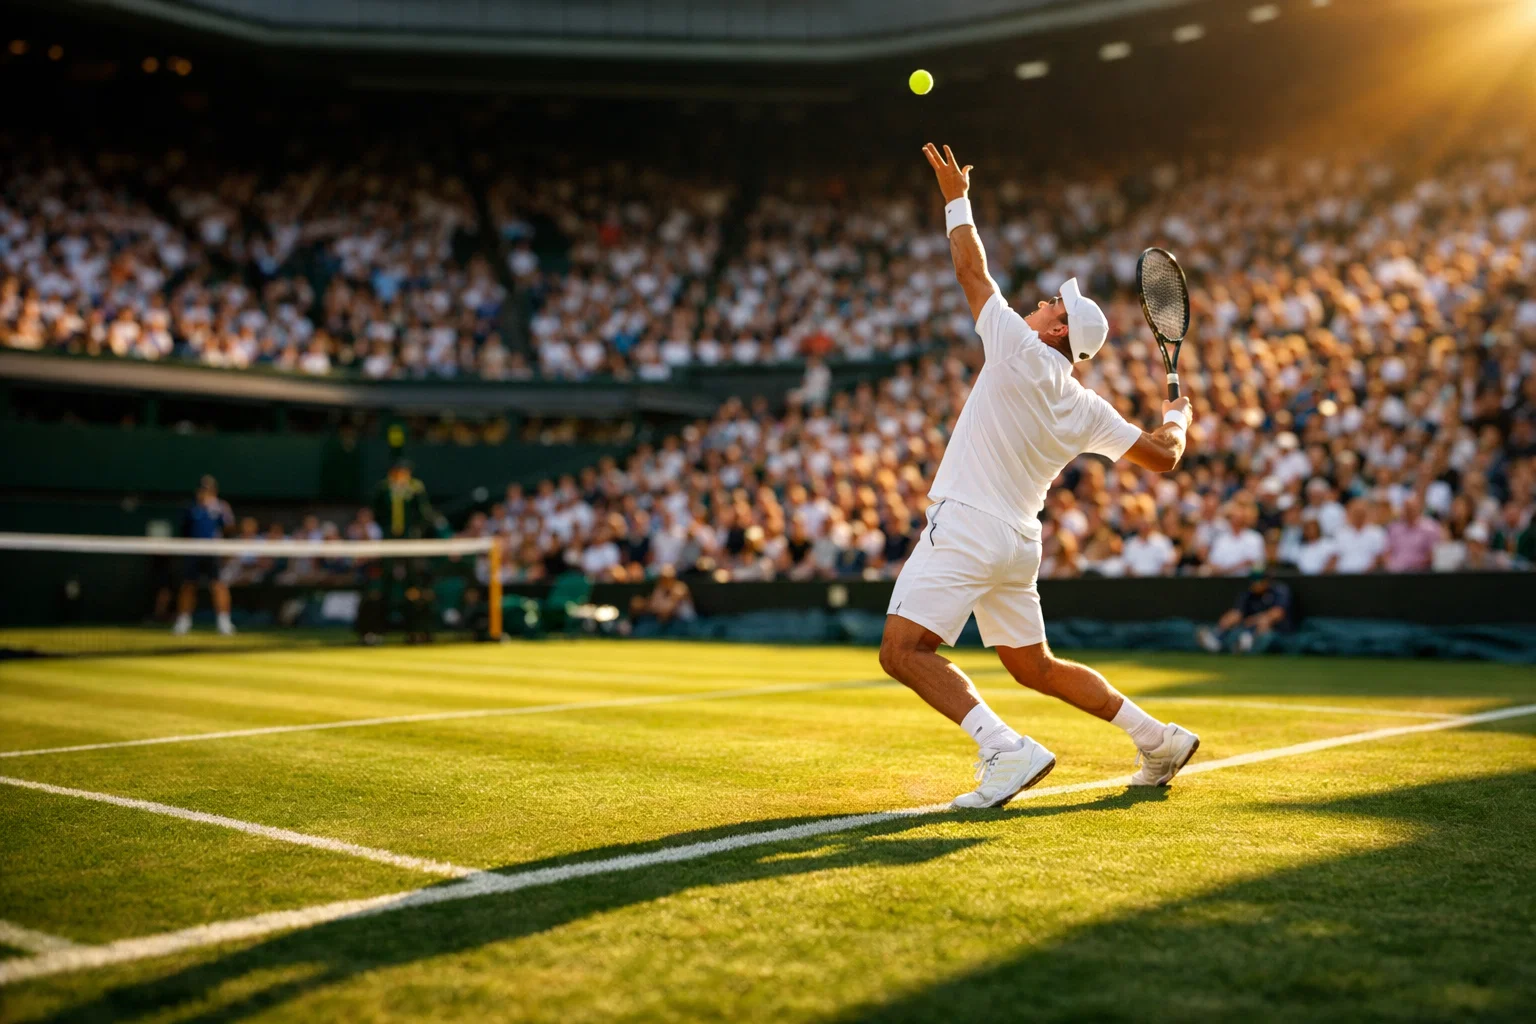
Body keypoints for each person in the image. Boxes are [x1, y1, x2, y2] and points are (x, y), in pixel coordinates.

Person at [877, 144, 1200, 811]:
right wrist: (1178, 419)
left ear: (1055, 332)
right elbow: (1164, 457)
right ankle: (1158, 739)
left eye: (1052, 304)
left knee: (902, 651)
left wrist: (954, 197)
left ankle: (1005, 750)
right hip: (1019, 542)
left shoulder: (1019, 347)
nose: (1042, 303)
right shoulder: (1086, 406)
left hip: (968, 526)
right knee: (1034, 667)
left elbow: (971, 269)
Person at [173, 475, 236, 635]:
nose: (205, 493)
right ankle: (183, 621)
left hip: (212, 552)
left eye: (209, 489)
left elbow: (229, 528)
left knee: (218, 586)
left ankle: (224, 622)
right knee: (188, 586)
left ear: (214, 491)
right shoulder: (191, 508)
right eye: (202, 489)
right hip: (193, 552)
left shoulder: (221, 507)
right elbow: (184, 531)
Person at [1196, 569, 1296, 654]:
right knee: (1233, 621)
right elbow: (1237, 612)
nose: (1255, 584)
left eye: (1258, 580)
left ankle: (1246, 642)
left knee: (1264, 622)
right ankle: (1216, 639)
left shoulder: (1279, 591)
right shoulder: (1248, 594)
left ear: (1266, 581)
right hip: (1249, 628)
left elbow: (1277, 613)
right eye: (1253, 580)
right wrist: (1228, 619)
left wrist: (1253, 620)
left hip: (1278, 631)